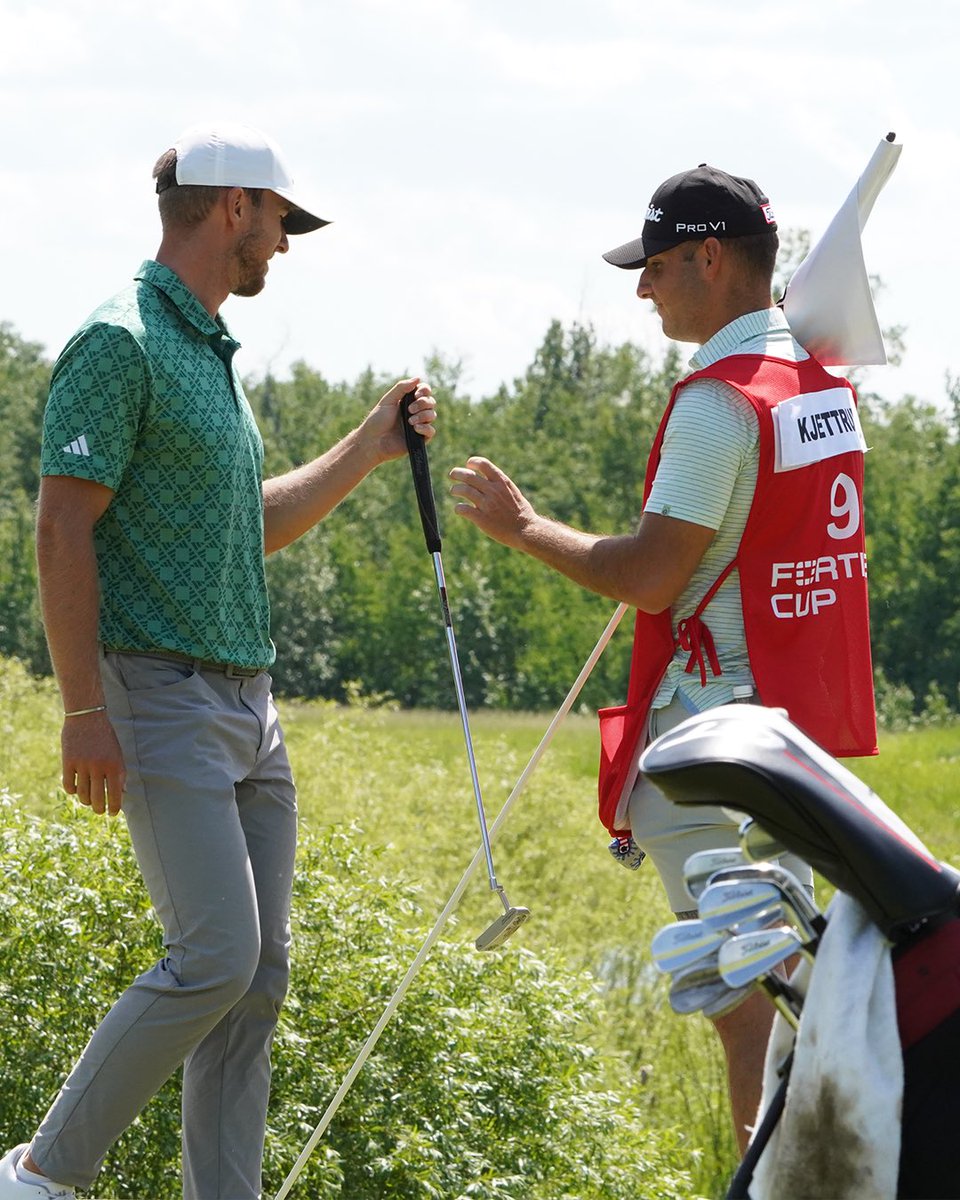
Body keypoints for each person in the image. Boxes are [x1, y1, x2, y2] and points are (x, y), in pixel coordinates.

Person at [0, 123, 435, 1200]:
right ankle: (40, 1177)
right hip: (158, 697)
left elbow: (248, 523)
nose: (283, 246)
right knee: (216, 956)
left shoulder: (212, 358)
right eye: (281, 221)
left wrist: (369, 445)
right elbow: (62, 529)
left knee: (257, 977)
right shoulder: (122, 342)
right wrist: (83, 711)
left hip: (251, 708)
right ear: (234, 206)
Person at [449, 164, 876, 1152]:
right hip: (798, 743)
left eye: (654, 267)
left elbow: (651, 575)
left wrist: (524, 530)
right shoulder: (824, 390)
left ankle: (779, 1176)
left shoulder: (716, 405)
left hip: (715, 751)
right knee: (779, 992)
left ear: (709, 259)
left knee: (754, 998)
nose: (641, 287)